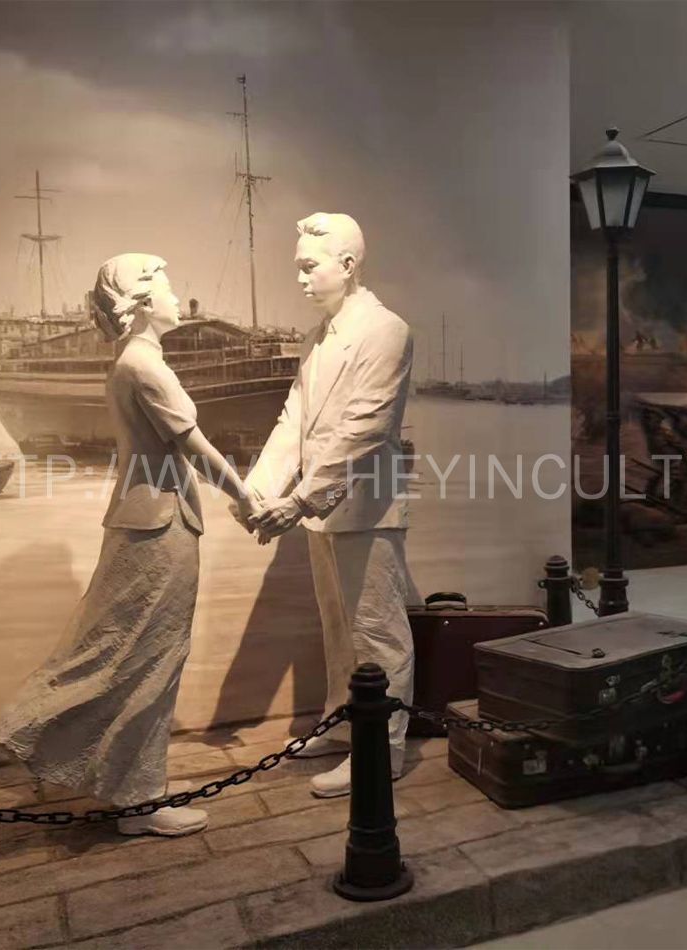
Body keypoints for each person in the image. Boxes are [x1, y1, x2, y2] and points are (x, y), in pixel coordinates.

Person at [0, 253, 257, 837]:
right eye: (165, 284)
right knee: (149, 656)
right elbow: (194, 447)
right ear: (139, 301)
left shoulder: (130, 363)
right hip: (158, 526)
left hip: (144, 519)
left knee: (127, 651)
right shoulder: (146, 367)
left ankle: (131, 784)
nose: (177, 295)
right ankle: (134, 794)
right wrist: (247, 498)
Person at [239, 212, 417, 799]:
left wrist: (298, 501)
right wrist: (258, 490)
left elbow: (365, 428)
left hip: (365, 509)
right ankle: (344, 724)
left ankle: (382, 749)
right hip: (324, 512)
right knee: (339, 630)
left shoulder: (386, 330)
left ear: (346, 265)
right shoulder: (317, 339)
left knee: (378, 633)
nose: (300, 278)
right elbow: (294, 421)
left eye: (308, 266)